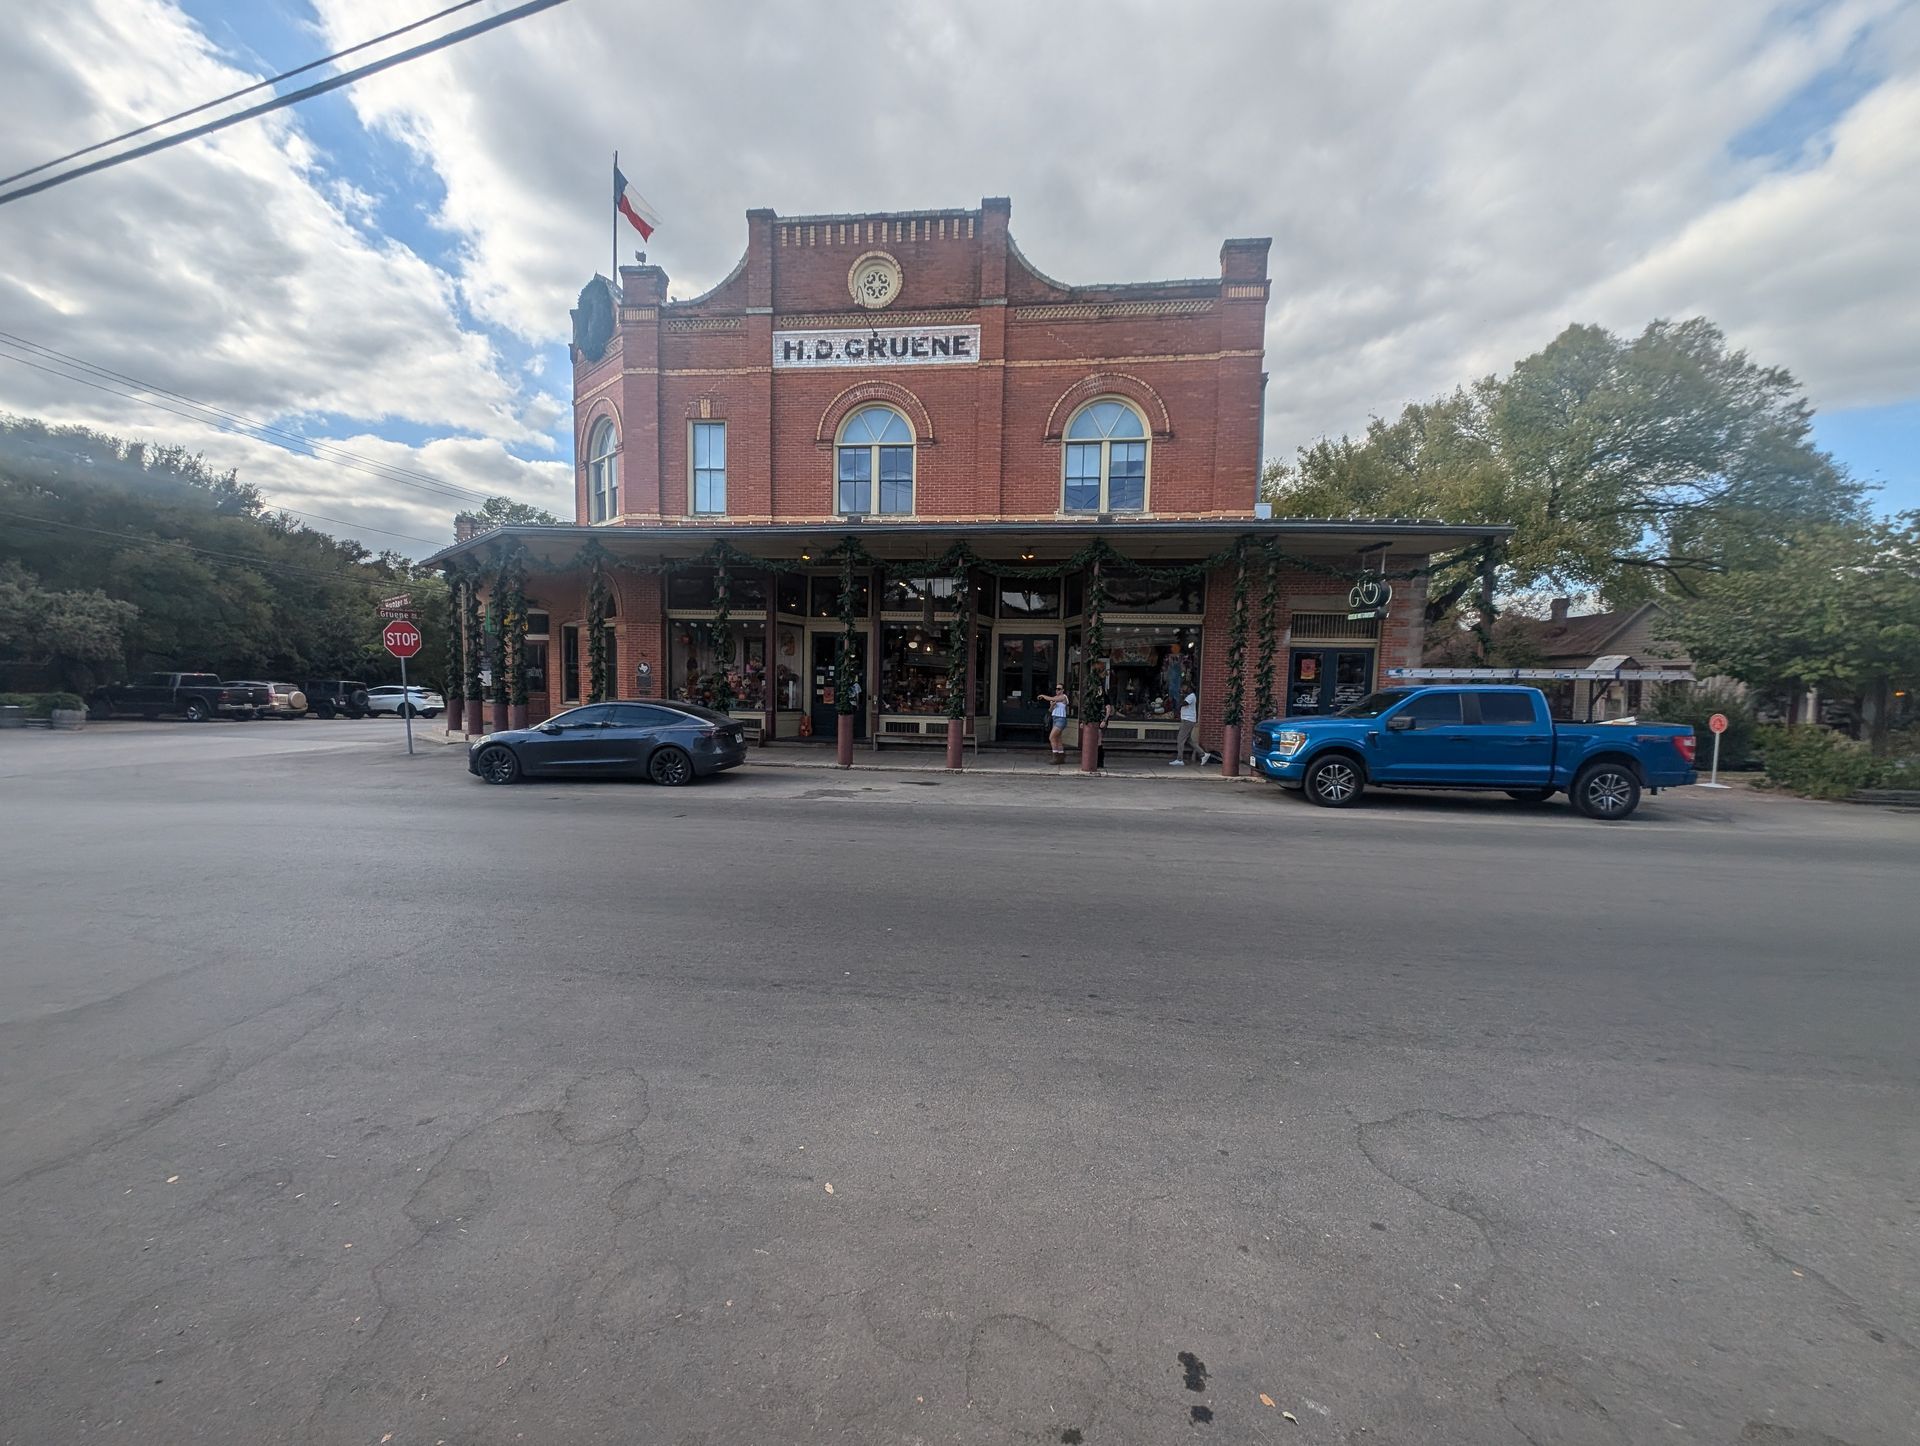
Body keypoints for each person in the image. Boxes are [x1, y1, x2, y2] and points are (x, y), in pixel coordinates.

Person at [1170, 686, 1210, 766]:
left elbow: (1183, 704)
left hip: (1188, 720)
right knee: (1188, 740)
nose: (1183, 689)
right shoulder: (1189, 696)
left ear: (1190, 689)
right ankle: (1203, 754)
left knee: (1180, 739)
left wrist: (1181, 696)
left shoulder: (1191, 696)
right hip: (1187, 720)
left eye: (1185, 688)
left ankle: (1180, 759)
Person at [1042, 683, 1071, 763]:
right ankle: (1061, 756)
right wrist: (1052, 705)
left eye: (1059, 689)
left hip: (1061, 719)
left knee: (1051, 737)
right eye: (1056, 689)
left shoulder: (1064, 697)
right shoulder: (1054, 698)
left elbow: (1050, 698)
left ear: (1063, 690)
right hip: (1055, 718)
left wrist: (1043, 696)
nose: (1057, 690)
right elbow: (1050, 710)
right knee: (1058, 738)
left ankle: (1055, 756)